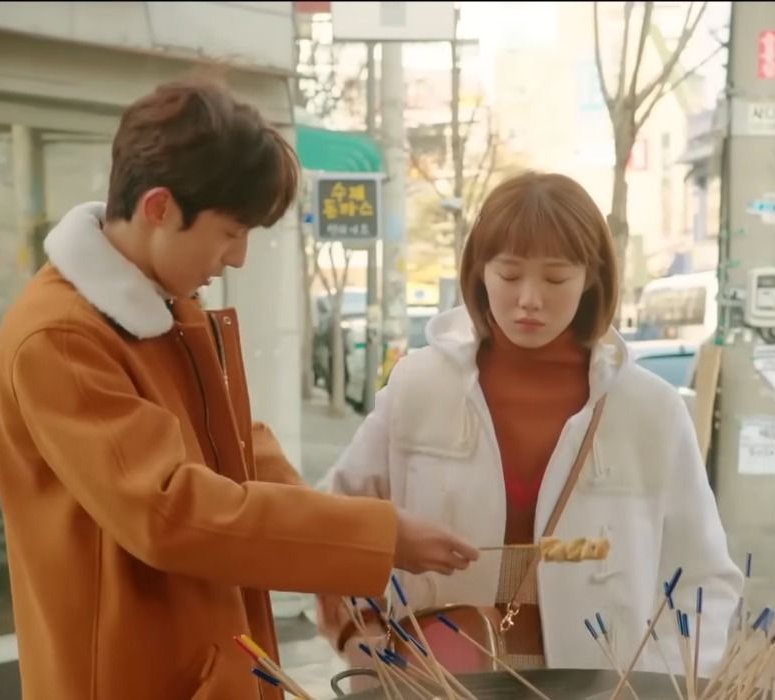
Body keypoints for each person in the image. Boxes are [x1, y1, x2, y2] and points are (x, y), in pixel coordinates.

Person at [0, 77, 478, 700]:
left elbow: (240, 452)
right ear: (159, 207)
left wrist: (349, 543)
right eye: (229, 232)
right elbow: (170, 510)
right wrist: (376, 538)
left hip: (210, 665)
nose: (238, 257)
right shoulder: (60, 337)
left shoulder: (165, 302)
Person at [317, 172, 743, 680]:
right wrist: (357, 635)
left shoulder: (649, 409)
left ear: (592, 277)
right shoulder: (420, 386)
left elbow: (702, 580)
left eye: (556, 278)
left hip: (598, 689)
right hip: (436, 684)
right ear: (478, 272)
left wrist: (653, 684)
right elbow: (331, 525)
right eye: (510, 274)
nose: (529, 299)